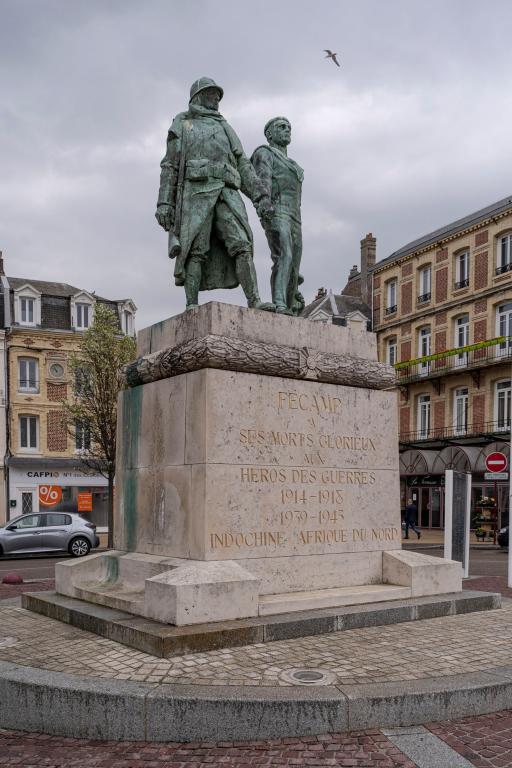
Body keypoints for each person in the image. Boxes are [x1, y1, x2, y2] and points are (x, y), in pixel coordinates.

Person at [155, 77, 274, 311]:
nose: (216, 99)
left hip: (227, 191)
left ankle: (254, 301)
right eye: (211, 94)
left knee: (242, 243)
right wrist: (164, 203)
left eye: (218, 95)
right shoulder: (183, 123)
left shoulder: (225, 127)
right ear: (198, 97)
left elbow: (243, 164)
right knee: (195, 250)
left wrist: (260, 196)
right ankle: (192, 304)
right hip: (196, 192)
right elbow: (170, 165)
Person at [251, 117, 304, 314]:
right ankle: (280, 303)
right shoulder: (264, 153)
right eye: (282, 127)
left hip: (295, 215)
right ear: (270, 134)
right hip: (276, 210)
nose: (287, 130)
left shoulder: (294, 165)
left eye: (289, 127)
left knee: (295, 262)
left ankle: (290, 304)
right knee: (285, 254)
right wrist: (264, 205)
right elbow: (262, 181)